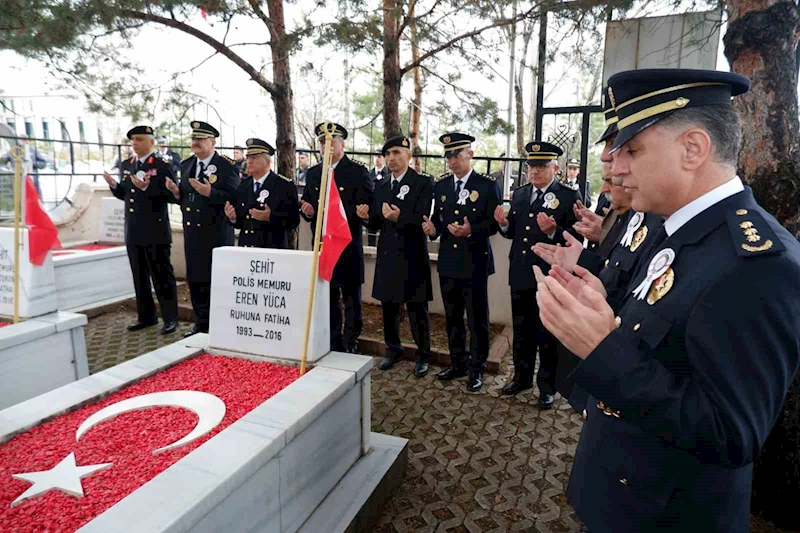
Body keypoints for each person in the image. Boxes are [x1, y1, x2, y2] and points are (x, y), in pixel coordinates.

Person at [533, 69, 800, 533]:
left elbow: (731, 434)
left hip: (667, 514)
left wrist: (601, 349)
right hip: (625, 491)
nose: (614, 167)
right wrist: (604, 306)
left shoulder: (757, 263)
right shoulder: (677, 225)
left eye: (632, 149)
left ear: (693, 148)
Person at [492, 141, 580, 407]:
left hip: (549, 274)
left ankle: (547, 386)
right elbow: (513, 233)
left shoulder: (568, 197)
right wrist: (504, 224)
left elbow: (576, 239)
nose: (534, 171)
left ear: (555, 167)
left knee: (547, 332)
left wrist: (554, 231)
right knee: (521, 328)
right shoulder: (519, 194)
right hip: (520, 271)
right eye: (531, 166)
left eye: (541, 166)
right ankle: (521, 377)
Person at [422, 132, 501, 393]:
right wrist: (432, 229)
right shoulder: (442, 185)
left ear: (471, 154)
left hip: (474, 262)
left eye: (456, 154)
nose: (452, 161)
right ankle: (458, 362)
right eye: (448, 156)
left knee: (477, 318)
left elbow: (494, 224)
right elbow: (438, 221)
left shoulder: (487, 185)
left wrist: (472, 231)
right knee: (453, 316)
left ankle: (476, 369)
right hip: (449, 261)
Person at [357, 135, 434, 377]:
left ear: (409, 155)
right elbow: (377, 223)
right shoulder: (381, 184)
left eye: (397, 153)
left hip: (412, 254)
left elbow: (422, 218)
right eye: (387, 154)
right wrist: (366, 217)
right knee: (389, 306)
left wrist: (398, 218)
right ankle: (393, 350)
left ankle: (423, 355)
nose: (391, 158)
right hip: (388, 253)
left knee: (416, 308)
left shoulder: (423, 182)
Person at [300, 122, 374, 353]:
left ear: (342, 144)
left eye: (332, 141)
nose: (326, 146)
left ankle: (350, 340)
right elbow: (310, 205)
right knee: (328, 296)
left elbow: (367, 205)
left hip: (347, 245)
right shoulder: (313, 174)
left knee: (351, 297)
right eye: (322, 142)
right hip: (323, 245)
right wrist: (308, 210)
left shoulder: (357, 171)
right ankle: (332, 339)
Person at [165, 121, 238, 337]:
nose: (195, 142)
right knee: (196, 279)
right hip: (192, 234)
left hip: (215, 233)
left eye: (200, 139)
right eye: (193, 139)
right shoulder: (187, 164)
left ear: (213, 142)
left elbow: (234, 197)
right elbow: (186, 199)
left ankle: (220, 326)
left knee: (217, 281)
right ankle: (201, 323)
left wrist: (210, 193)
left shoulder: (227, 165)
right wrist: (176, 193)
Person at [103, 125, 178, 335]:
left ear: (151, 142)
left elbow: (173, 195)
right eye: (132, 140)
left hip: (155, 231)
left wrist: (148, 188)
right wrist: (114, 186)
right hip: (134, 230)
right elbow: (125, 195)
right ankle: (146, 317)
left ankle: (171, 318)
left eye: (139, 139)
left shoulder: (162, 165)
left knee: (162, 276)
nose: (134, 143)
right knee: (139, 276)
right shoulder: (128, 164)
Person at [224, 138, 299, 249]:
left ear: (267, 161)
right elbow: (241, 221)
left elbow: (293, 221)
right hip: (246, 249)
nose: (249, 161)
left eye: (254, 157)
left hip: (271, 251)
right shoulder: (243, 186)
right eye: (248, 157)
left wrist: (270, 217)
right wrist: (232, 217)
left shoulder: (283, 185)